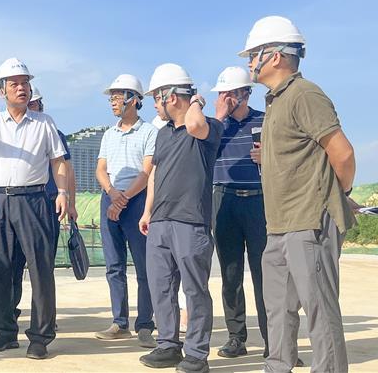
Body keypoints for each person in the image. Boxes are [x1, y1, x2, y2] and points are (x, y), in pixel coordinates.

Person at [240, 16, 356, 373]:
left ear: (275, 56)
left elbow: (343, 154)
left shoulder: (305, 94)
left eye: (253, 54)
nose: (249, 62)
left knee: (319, 309)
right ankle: (277, 367)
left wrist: (339, 195)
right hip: (279, 225)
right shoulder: (277, 100)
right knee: (278, 309)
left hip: (309, 221)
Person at [0, 57, 76, 360]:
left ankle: (40, 337)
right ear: (2, 91)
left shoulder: (44, 122)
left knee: (40, 269)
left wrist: (62, 192)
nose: (22, 88)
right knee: (1, 268)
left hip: (35, 200)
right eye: (15, 84)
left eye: (25, 83)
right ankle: (4, 333)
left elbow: (58, 161)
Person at [138, 63, 223, 373]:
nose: (154, 105)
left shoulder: (208, 127)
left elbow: (195, 125)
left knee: (194, 290)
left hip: (191, 221)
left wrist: (196, 100)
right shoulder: (162, 135)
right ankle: (168, 345)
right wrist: (148, 211)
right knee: (161, 287)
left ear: (171, 97)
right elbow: (154, 174)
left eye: (156, 98)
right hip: (160, 220)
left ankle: (196, 354)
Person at [94, 74, 157, 349]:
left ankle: (144, 325)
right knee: (114, 266)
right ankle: (120, 323)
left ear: (133, 98)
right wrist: (112, 194)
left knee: (144, 266)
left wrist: (123, 199)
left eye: (117, 96)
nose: (113, 102)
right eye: (112, 97)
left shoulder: (149, 132)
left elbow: (147, 172)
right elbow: (100, 169)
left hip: (137, 202)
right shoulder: (109, 134)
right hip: (110, 198)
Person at [210, 66, 267, 359]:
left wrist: (268, 156)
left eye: (230, 93)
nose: (226, 99)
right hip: (224, 200)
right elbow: (201, 152)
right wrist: (218, 118)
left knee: (265, 274)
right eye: (222, 94)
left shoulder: (266, 120)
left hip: (260, 202)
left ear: (246, 93)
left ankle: (275, 341)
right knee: (230, 274)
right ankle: (236, 337)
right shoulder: (213, 126)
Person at [10, 87, 75, 324]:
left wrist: (70, 203)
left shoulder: (53, 132)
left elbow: (67, 170)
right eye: (28, 104)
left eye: (34, 103)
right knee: (13, 263)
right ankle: (10, 311)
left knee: (42, 265)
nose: (31, 107)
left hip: (48, 203)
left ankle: (45, 317)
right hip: (19, 203)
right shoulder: (13, 133)